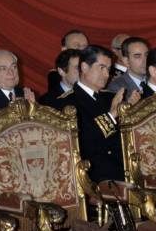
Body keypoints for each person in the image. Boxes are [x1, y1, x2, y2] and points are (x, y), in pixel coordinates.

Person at [56, 45, 138, 183]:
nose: (107, 75)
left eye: (108, 69)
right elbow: (81, 142)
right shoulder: (66, 103)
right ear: (84, 67)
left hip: (124, 172)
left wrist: (130, 111)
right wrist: (111, 115)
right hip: (94, 178)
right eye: (101, 68)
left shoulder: (109, 98)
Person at [0, 50, 35, 118]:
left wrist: (34, 109)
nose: (11, 72)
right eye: (3, 68)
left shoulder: (27, 94)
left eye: (14, 67)